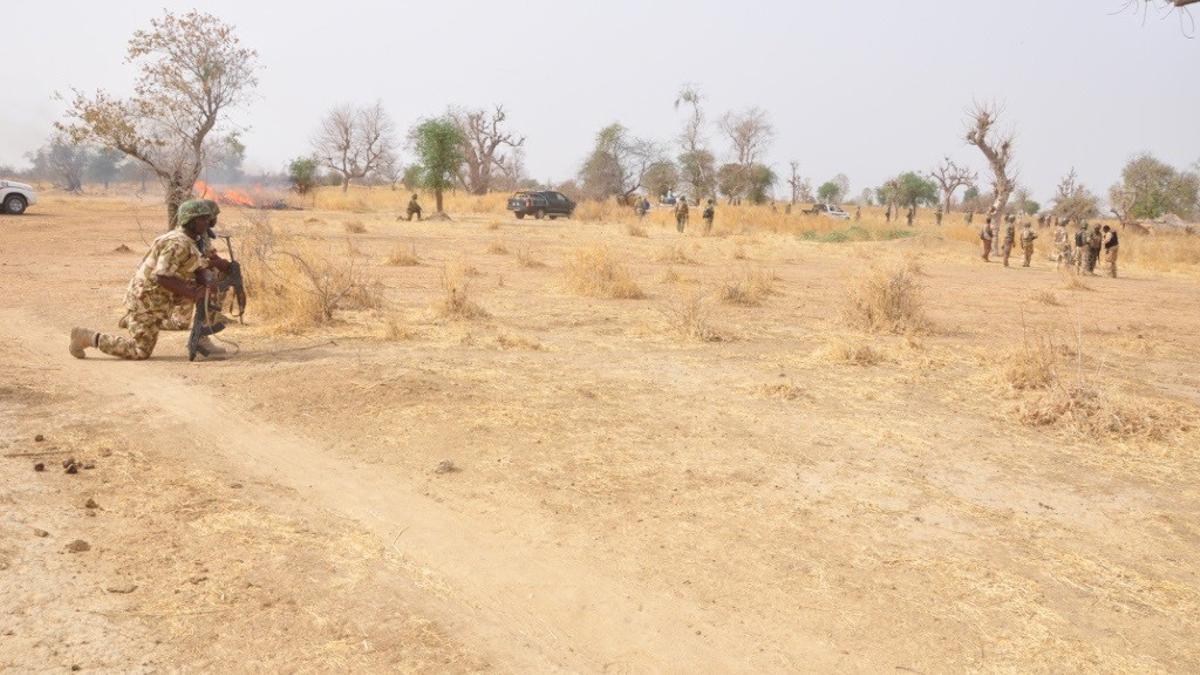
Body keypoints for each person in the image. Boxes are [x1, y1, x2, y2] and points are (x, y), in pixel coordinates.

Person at [70, 200, 234, 360]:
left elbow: (196, 268)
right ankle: (87, 337)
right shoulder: (177, 243)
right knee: (139, 351)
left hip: (161, 295)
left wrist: (208, 281)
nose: (208, 222)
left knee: (208, 292)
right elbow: (161, 276)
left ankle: (201, 340)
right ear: (191, 221)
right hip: (146, 300)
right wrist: (192, 294)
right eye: (203, 219)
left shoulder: (189, 241)